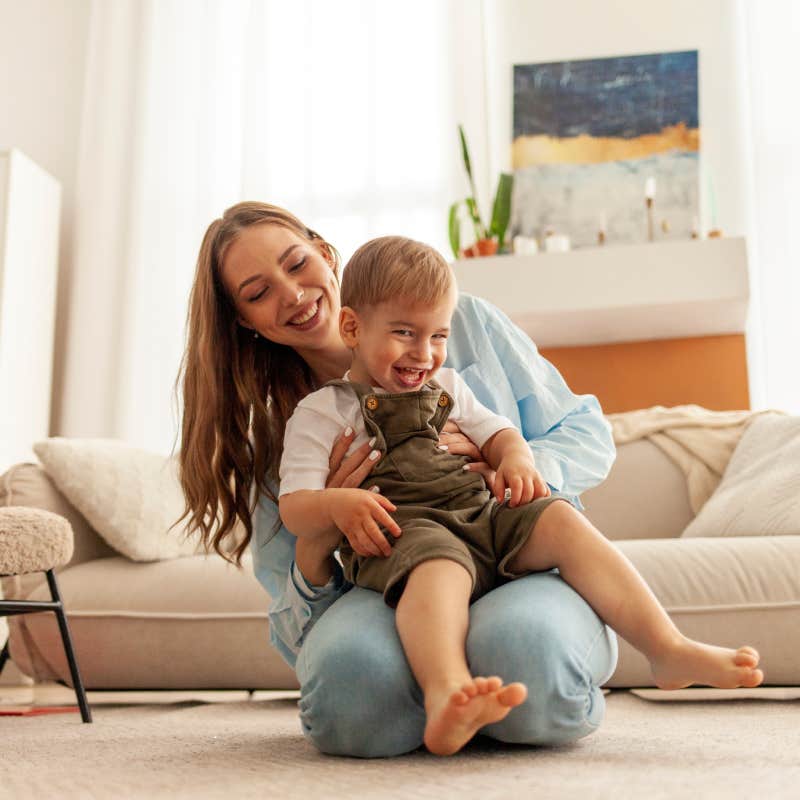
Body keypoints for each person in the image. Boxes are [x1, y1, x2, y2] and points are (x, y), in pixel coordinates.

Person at [277, 235, 764, 756]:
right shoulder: (322, 412)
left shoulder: (447, 385)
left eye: (438, 335)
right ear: (353, 327)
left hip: (482, 514)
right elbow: (295, 507)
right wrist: (335, 505)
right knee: (435, 570)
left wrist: (517, 460)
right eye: (403, 333)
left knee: (558, 520)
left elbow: (500, 432)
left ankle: (667, 648)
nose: (423, 352)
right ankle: (448, 690)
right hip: (405, 534)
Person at [178, 201, 621, 759]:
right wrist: (323, 528)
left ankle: (480, 687)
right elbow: (293, 624)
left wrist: (514, 466)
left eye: (295, 264)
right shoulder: (290, 428)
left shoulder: (464, 325)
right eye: (257, 292)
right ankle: (445, 697)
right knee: (349, 693)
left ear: (325, 253)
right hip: (395, 581)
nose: (290, 294)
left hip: (515, 559)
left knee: (525, 655)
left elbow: (586, 432)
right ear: (243, 320)